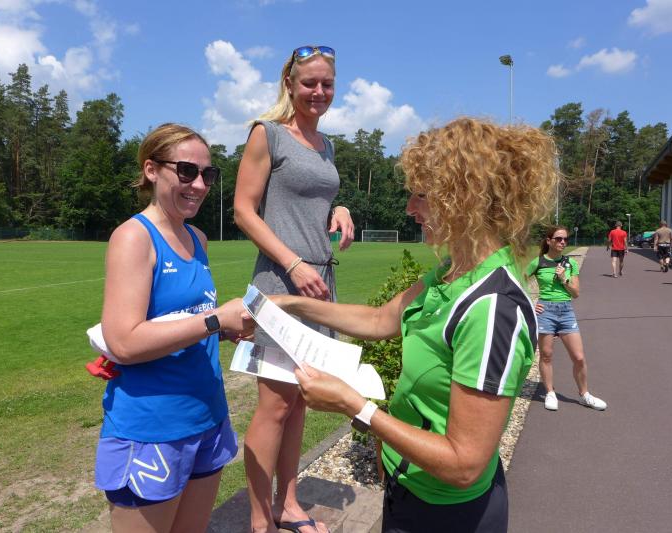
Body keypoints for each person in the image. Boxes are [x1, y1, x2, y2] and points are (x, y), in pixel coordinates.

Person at [271, 117, 558, 532]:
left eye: (421, 195)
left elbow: (464, 464)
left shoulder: (492, 307)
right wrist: (288, 304)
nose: (410, 208)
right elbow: (378, 319)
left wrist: (354, 406)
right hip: (408, 491)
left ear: (464, 198)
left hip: (448, 515)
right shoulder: (452, 272)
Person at [94, 123, 254, 533]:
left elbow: (187, 318)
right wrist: (214, 319)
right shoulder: (134, 237)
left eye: (208, 174)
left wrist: (224, 328)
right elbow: (123, 342)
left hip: (207, 417)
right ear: (151, 170)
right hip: (153, 429)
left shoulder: (197, 237)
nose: (199, 184)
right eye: (186, 171)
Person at [234, 45, 355, 533]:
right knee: (275, 405)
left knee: (302, 398)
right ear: (289, 83)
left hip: (320, 283)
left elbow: (311, 201)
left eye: (327, 84)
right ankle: (259, 519)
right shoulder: (267, 134)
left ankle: (288, 503)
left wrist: (338, 210)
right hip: (281, 281)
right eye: (310, 83)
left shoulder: (326, 146)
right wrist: (293, 262)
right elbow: (244, 210)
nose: (319, 92)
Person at [526, 226, 607, 413]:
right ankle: (550, 393)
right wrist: (530, 303)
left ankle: (585, 394)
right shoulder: (538, 262)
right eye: (558, 239)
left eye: (565, 239)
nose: (562, 242)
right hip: (545, 310)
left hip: (565, 311)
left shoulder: (570, 264)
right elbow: (517, 282)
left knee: (579, 357)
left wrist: (564, 279)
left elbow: (576, 293)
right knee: (546, 355)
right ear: (549, 241)